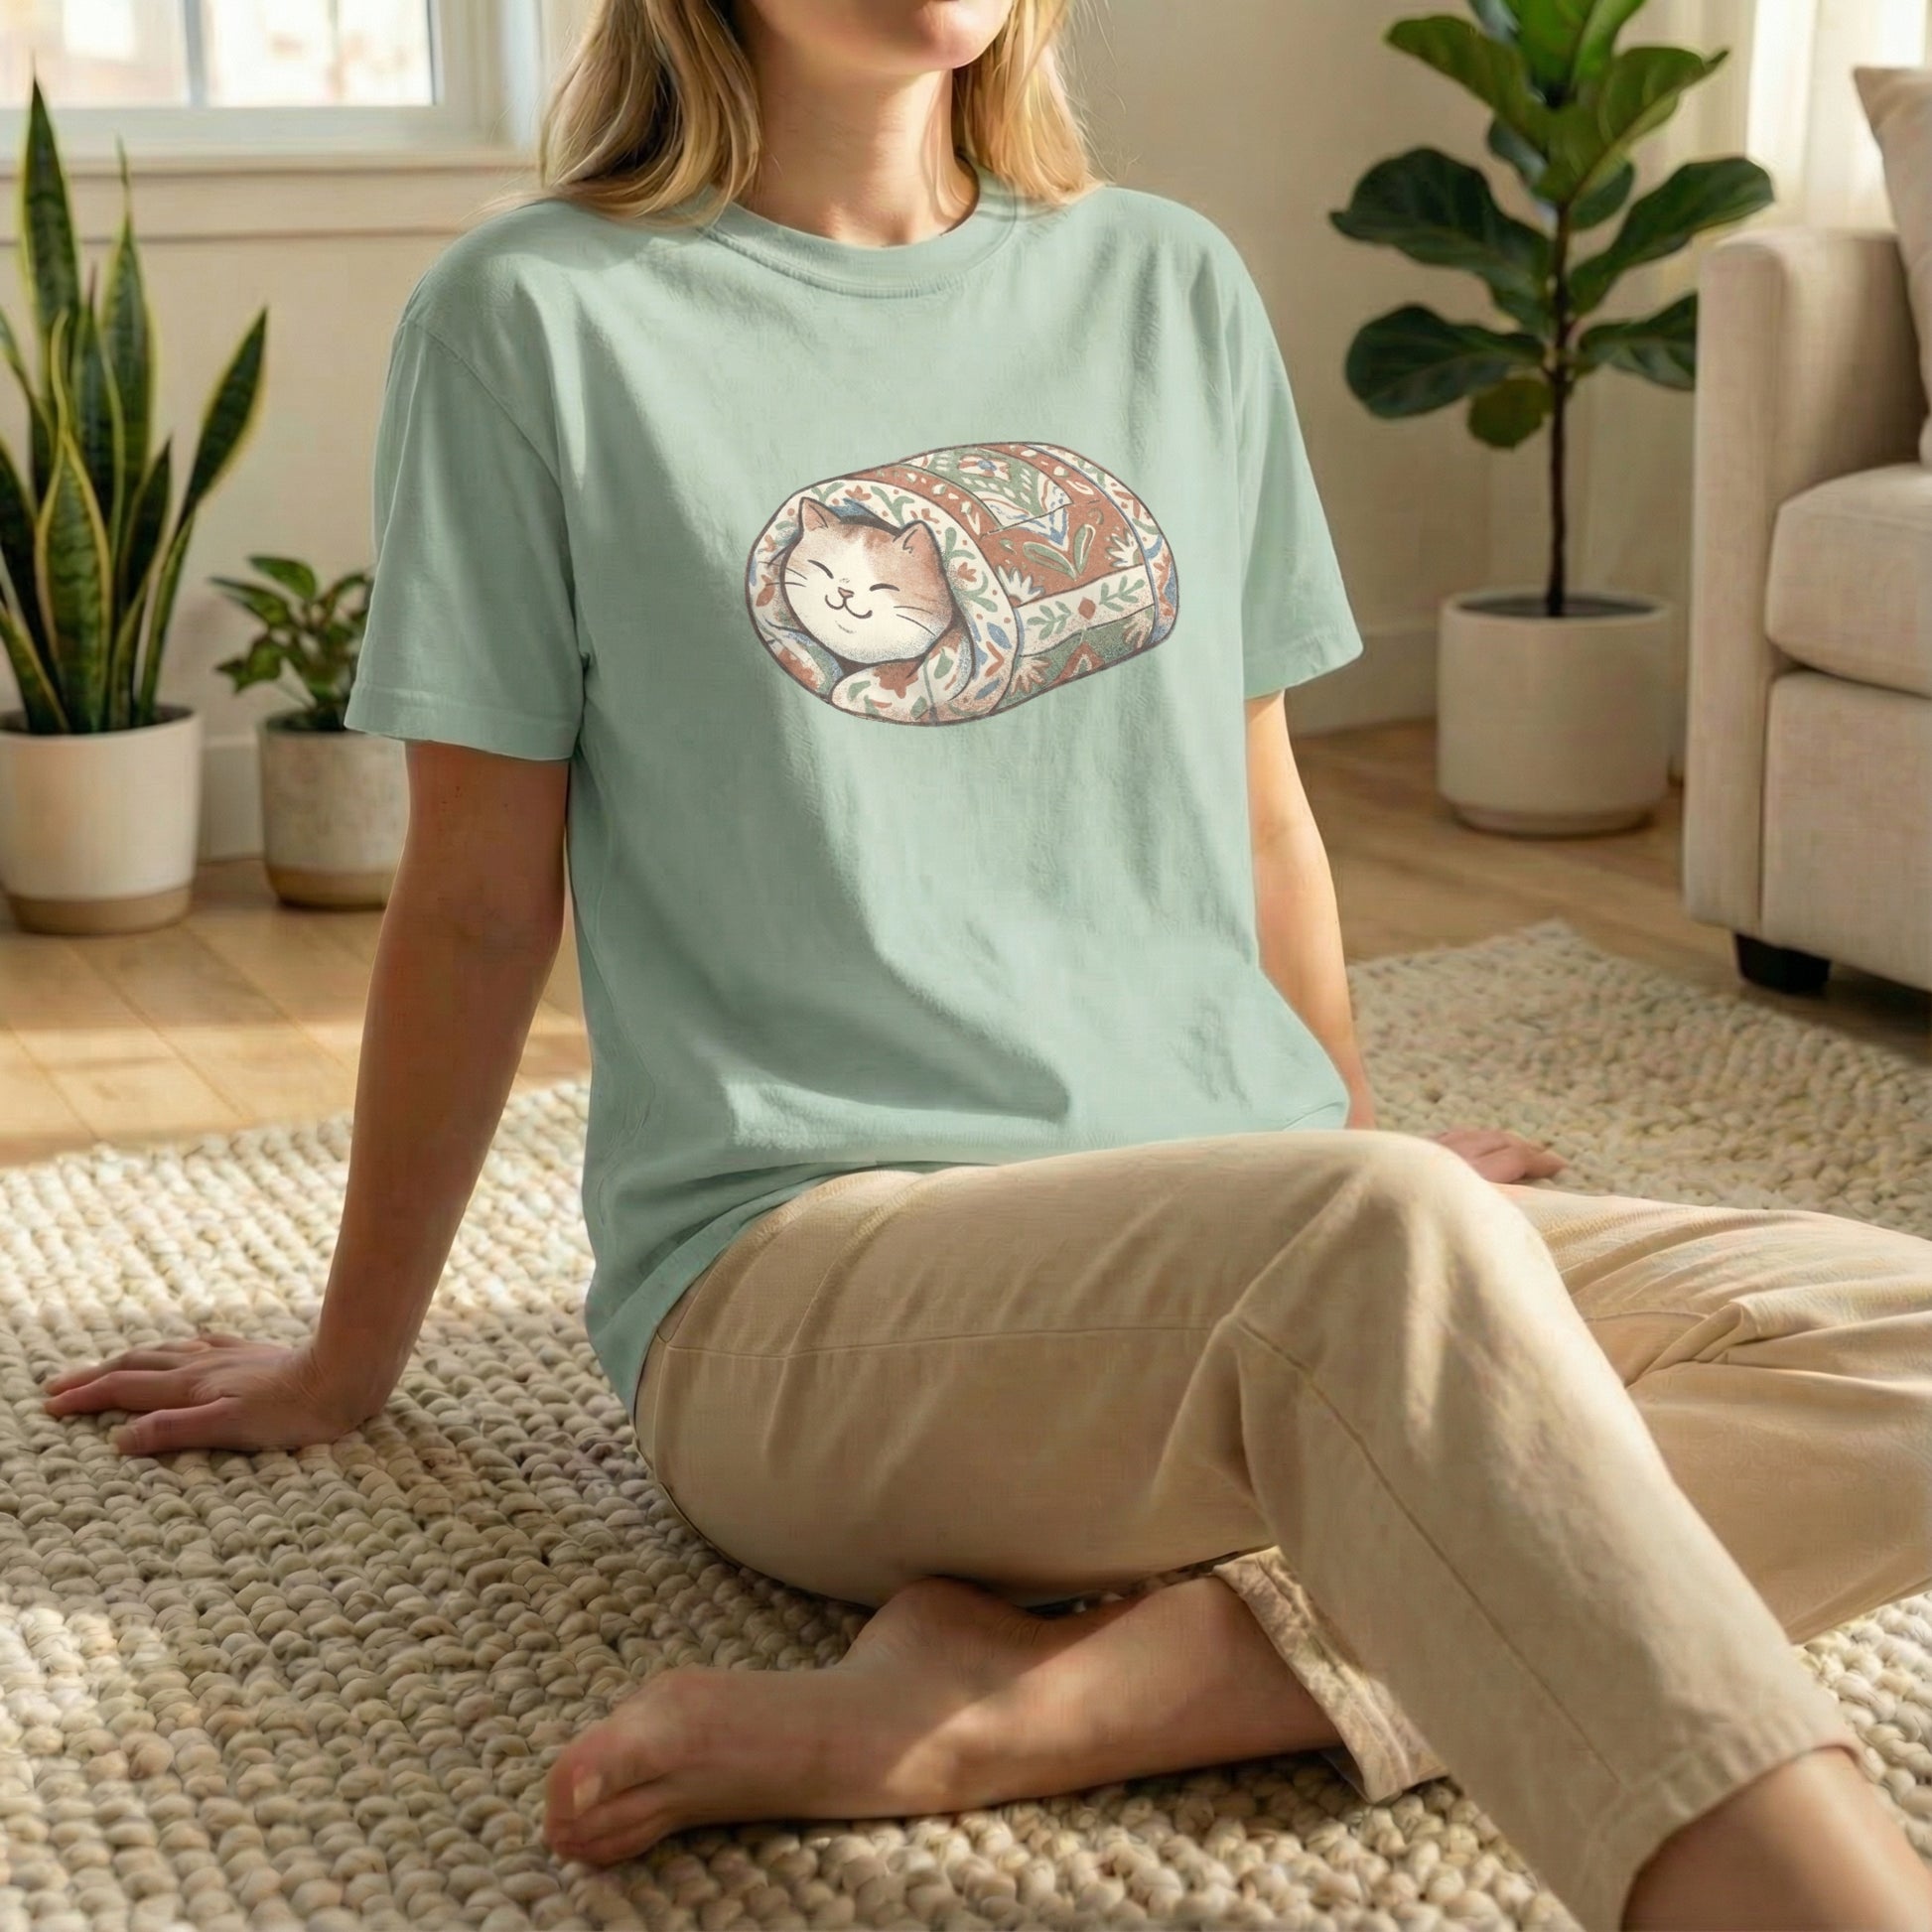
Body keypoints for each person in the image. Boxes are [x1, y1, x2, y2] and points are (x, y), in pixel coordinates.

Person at [39, 1, 1932, 1925]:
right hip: (810, 1277)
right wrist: (354, 1359)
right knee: (1369, 1239)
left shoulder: (1167, 279)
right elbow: (470, 902)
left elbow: (1261, 806)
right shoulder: (533, 317)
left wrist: (1337, 1141)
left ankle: (1047, 1708)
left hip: (1244, 1234)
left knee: (1900, 1339)